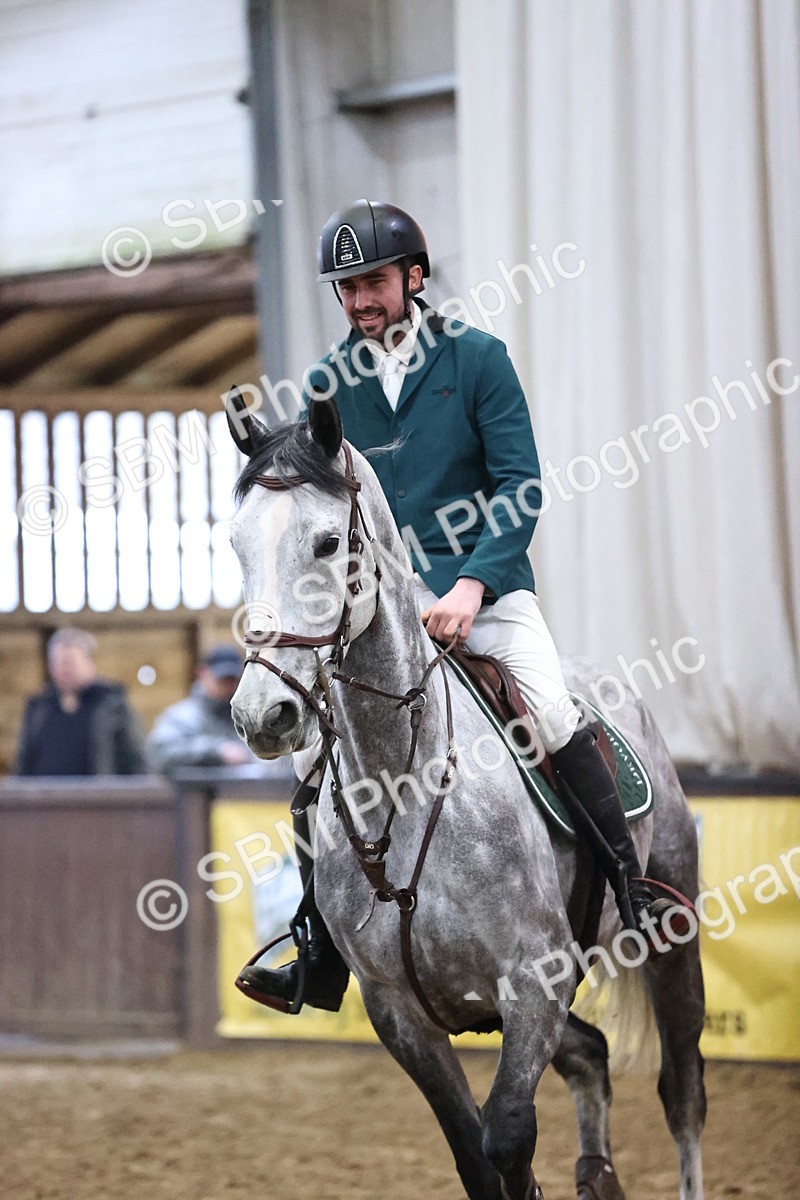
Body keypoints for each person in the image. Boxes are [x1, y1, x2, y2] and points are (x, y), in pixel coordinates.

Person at [239, 199, 674, 1012]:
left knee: (547, 709)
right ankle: (319, 945)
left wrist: (474, 583)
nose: (360, 301)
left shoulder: (478, 360)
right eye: (346, 287)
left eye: (372, 281)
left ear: (413, 277)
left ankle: (633, 888)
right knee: (308, 759)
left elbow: (521, 485)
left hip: (486, 590)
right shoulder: (332, 386)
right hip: (385, 614)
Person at [15, 628, 146, 776]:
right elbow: (24, 763)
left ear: (89, 663)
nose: (64, 668)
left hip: (99, 797)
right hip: (46, 797)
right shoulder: (39, 709)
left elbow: (136, 763)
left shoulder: (114, 707)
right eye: (58, 662)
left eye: (70, 661)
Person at [147, 644, 268, 775]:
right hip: (198, 794)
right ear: (201, 673)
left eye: (232, 679)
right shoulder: (181, 717)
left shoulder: (250, 717)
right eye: (222, 678)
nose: (228, 684)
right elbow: (160, 753)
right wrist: (216, 751)